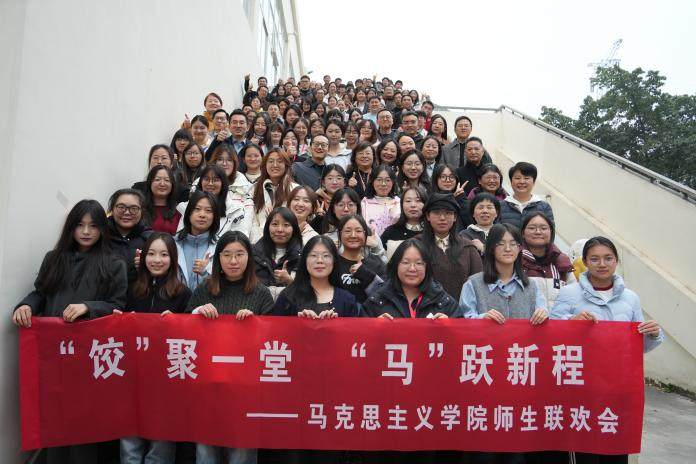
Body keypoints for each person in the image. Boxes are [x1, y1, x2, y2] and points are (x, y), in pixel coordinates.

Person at [12, 200, 128, 462]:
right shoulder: (53, 258)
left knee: (83, 427)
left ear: (102, 229)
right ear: (71, 228)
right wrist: (26, 305)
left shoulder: (114, 263)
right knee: (54, 424)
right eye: (80, 225)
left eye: (93, 226)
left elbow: (118, 306)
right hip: (54, 354)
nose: (86, 231)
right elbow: (40, 292)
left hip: (89, 357)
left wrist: (88, 306)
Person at [551, 236, 663, 464]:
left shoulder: (630, 298)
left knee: (615, 450)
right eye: (595, 259)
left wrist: (653, 334)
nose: (602, 264)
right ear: (585, 262)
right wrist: (571, 322)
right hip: (582, 388)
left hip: (618, 389)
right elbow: (551, 335)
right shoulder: (569, 293)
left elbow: (637, 347)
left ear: (616, 261)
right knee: (585, 451)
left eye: (608, 258)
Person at [458, 223, 548, 464]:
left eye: (513, 244)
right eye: (501, 244)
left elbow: (545, 319)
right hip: (484, 376)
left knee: (516, 449)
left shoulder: (531, 286)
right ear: (490, 249)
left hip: (519, 377)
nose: (508, 249)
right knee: (484, 449)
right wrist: (480, 319)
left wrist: (543, 315)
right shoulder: (474, 283)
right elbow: (462, 323)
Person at [186, 230, 274, 464]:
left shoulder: (262, 293)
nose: (233, 261)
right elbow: (183, 333)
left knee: (241, 454)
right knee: (206, 453)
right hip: (207, 386)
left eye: (240, 254)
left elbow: (273, 342)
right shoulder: (204, 289)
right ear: (218, 259)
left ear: (249, 258)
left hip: (246, 388)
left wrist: (255, 325)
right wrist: (197, 312)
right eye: (227, 254)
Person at [363, 238, 458, 319]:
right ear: (395, 265)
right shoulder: (375, 302)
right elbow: (360, 332)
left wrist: (450, 326)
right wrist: (374, 327)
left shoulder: (444, 302)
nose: (412, 269)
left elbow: (461, 331)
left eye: (419, 263)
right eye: (405, 262)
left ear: (427, 267)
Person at [272, 235, 360, 318]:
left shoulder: (347, 300)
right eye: (313, 255)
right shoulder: (288, 296)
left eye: (326, 256)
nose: (320, 260)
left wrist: (334, 324)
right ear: (305, 260)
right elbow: (277, 327)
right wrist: (300, 323)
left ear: (334, 261)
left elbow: (353, 329)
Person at [419, 193, 482, 299]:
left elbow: (478, 284)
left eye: (448, 213)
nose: (442, 218)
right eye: (436, 213)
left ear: (455, 217)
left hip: (462, 307)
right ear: (428, 216)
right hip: (424, 307)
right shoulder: (416, 246)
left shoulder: (468, 247)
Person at [520, 212, 575, 308]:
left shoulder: (562, 261)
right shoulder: (515, 261)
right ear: (523, 233)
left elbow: (574, 294)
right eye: (532, 228)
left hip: (559, 316)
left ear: (551, 232)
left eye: (543, 228)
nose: (538, 232)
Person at [252, 207, 302, 301]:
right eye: (275, 224)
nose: (280, 229)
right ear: (268, 227)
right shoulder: (253, 253)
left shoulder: (303, 256)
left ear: (294, 228)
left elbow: (309, 292)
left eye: (286, 225)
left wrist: (290, 281)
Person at [250, 148, 298, 243]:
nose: (275, 165)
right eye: (271, 161)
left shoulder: (295, 190)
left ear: (286, 165)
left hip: (286, 241)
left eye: (279, 161)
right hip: (258, 242)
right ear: (265, 165)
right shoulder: (254, 189)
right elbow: (251, 220)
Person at [335, 214, 386, 304]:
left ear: (365, 234)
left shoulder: (377, 264)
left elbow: (385, 296)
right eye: (347, 231)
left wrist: (364, 273)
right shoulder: (332, 264)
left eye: (358, 231)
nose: (353, 235)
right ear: (339, 235)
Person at [175, 191, 219, 290]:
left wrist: (205, 274)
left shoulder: (221, 247)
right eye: (197, 209)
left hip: (207, 299)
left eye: (208, 210)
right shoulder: (173, 244)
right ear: (189, 213)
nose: (202, 215)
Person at [207, 145, 254, 238]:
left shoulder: (246, 187)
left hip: (234, 239)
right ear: (214, 162)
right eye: (220, 159)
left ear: (234, 163)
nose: (224, 163)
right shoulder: (203, 184)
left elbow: (247, 220)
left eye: (229, 160)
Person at [107, 188, 151, 282]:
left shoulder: (151, 239)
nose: (127, 212)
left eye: (134, 208)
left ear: (142, 211)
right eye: (121, 207)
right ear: (112, 209)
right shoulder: (100, 235)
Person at [499, 161, 554, 230]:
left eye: (526, 178)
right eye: (517, 178)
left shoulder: (544, 207)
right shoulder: (500, 206)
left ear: (534, 182)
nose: (522, 181)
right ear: (511, 181)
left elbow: (550, 232)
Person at [381, 186, 428, 260]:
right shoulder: (391, 232)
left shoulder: (432, 231)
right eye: (408, 201)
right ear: (401, 205)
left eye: (418, 201)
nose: (413, 205)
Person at [361, 165, 401, 236]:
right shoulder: (364, 203)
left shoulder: (399, 203)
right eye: (379, 180)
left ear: (393, 182)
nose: (383, 184)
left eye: (387, 180)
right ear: (372, 182)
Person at [432, 163, 471, 232]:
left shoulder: (461, 197)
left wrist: (460, 198)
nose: (448, 180)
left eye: (452, 177)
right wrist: (452, 198)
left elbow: (470, 220)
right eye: (443, 177)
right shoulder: (430, 198)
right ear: (436, 179)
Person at [143, 166, 182, 235]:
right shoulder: (140, 209)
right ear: (149, 183)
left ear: (172, 184)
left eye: (167, 180)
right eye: (157, 179)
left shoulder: (180, 210)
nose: (162, 184)